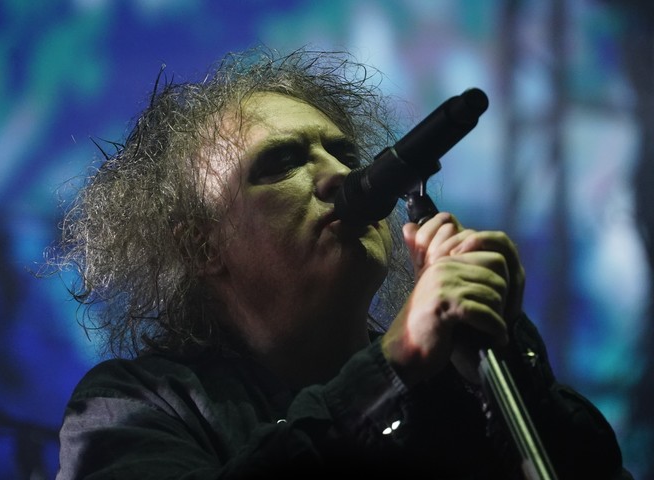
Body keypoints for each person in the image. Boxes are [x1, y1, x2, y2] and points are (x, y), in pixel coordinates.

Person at [53, 47, 631, 479]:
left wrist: (506, 360)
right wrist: (390, 370)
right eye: (280, 163)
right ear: (202, 246)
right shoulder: (130, 407)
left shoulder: (455, 382)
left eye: (346, 153)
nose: (340, 175)